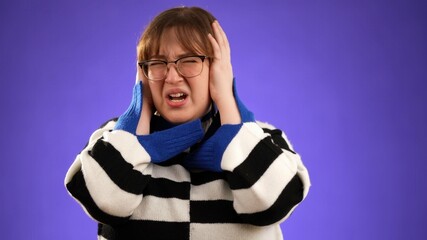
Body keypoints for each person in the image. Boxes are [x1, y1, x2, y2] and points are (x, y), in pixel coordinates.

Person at [64, 6, 310, 240]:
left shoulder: (263, 138)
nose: (171, 76)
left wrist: (232, 119)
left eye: (189, 60)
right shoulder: (113, 138)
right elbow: (103, 202)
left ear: (217, 68)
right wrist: (134, 129)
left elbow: (276, 203)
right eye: (158, 63)